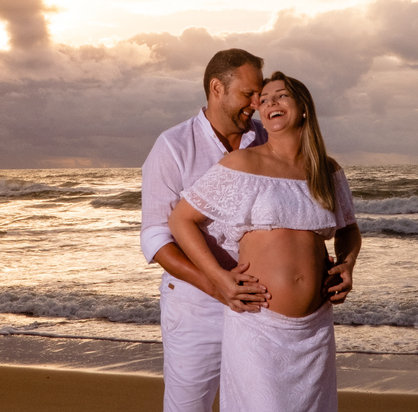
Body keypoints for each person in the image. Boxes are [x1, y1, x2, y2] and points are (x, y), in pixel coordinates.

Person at [169, 71, 362, 412]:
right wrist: (218, 277)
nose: (271, 102)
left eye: (281, 95)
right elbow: (181, 220)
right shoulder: (243, 163)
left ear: (303, 108)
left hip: (315, 328)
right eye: (265, 99)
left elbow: (348, 228)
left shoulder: (327, 170)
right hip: (258, 324)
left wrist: (347, 263)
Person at [141, 48, 272, 412]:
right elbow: (155, 236)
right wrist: (215, 283)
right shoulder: (173, 146)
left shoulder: (265, 141)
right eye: (248, 94)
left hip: (257, 301)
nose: (257, 103)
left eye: (259, 94)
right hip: (194, 305)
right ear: (217, 88)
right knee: (188, 407)